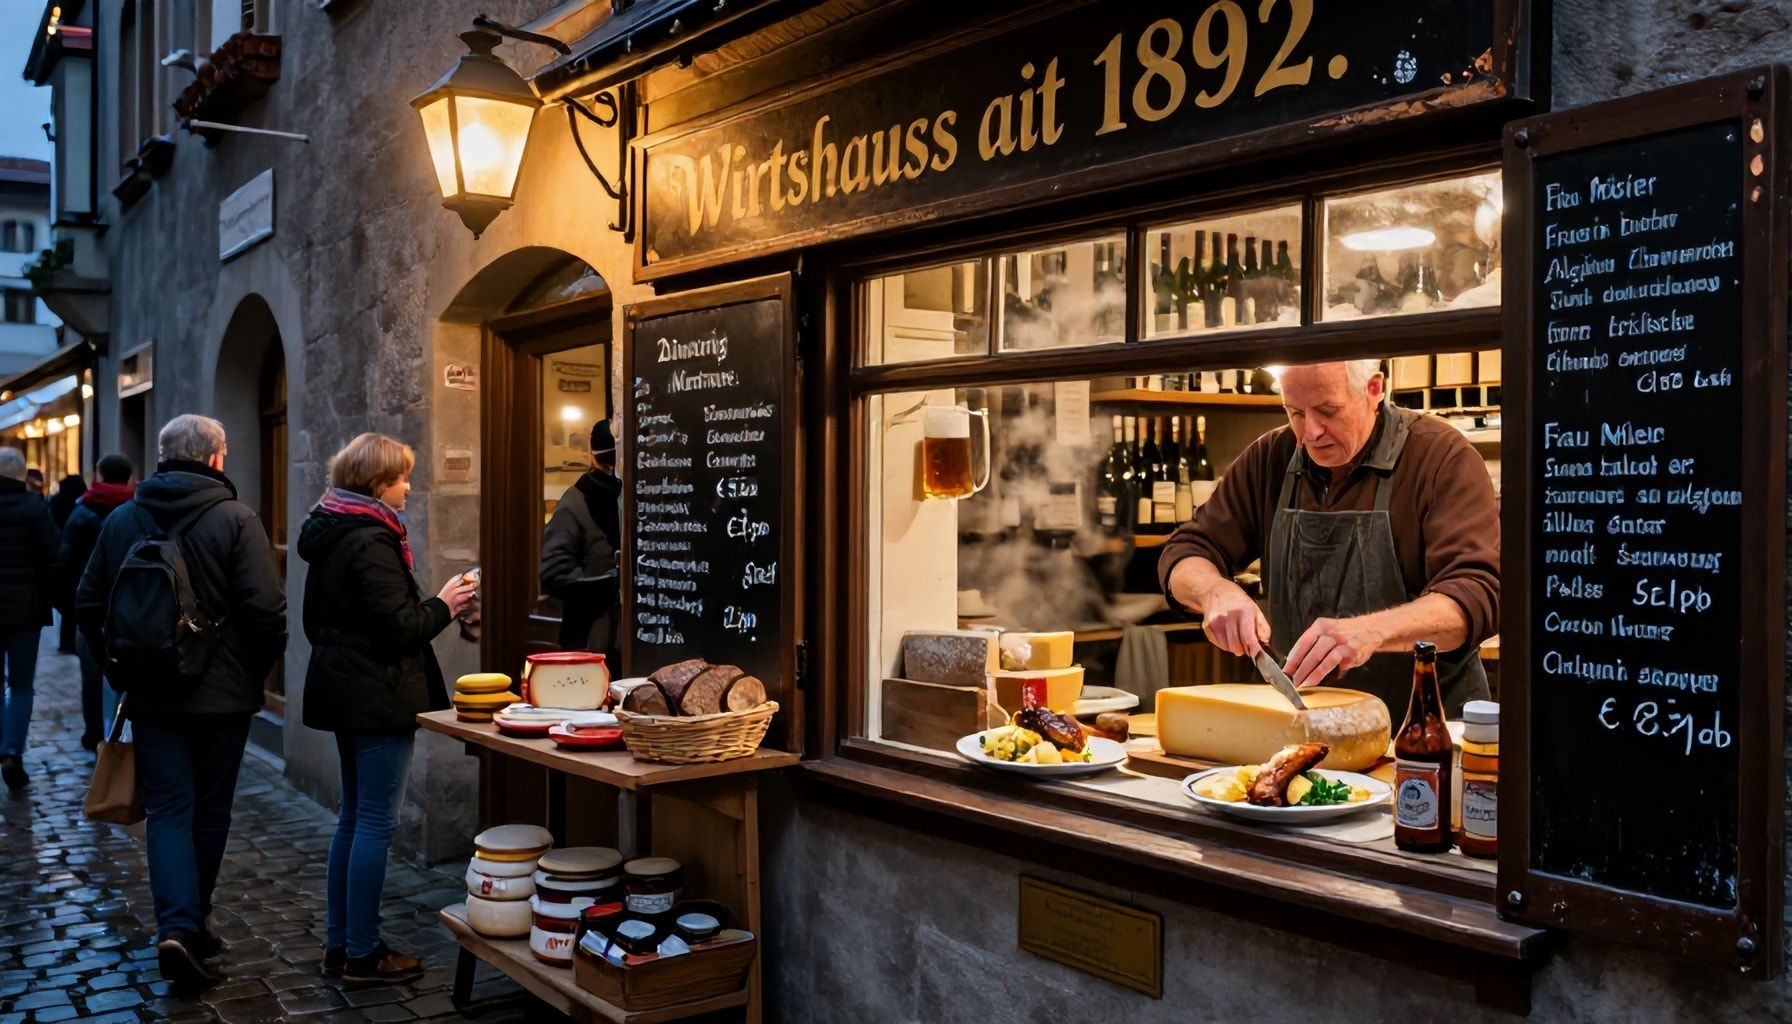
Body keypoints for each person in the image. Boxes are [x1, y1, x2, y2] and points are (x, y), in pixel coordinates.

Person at [76, 415, 286, 991]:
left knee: (169, 809)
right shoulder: (236, 519)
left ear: (165, 457)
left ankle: (178, 926)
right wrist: (253, 671)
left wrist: (120, 667)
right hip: (222, 698)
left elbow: (87, 602)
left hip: (151, 692)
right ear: (217, 458)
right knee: (211, 811)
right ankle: (191, 926)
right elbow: (265, 612)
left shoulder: (123, 518)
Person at [1159, 359, 1499, 715]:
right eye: (1295, 412)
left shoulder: (1441, 458)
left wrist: (1372, 631)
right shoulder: (1271, 457)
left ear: (1373, 388)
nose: (1310, 432)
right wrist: (1214, 591)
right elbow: (1187, 551)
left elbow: (1477, 593)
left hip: (1423, 732)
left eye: (1328, 411)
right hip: (1301, 724)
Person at [298, 433, 476, 985]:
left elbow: (323, 623)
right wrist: (446, 603)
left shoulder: (334, 531)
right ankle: (362, 952)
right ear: (377, 483)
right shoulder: (370, 539)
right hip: (375, 696)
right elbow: (400, 627)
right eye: (401, 478)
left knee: (353, 819)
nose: (408, 488)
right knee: (373, 822)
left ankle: (340, 945)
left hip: (349, 690)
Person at [59, 455, 135, 749]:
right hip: (130, 608)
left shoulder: (81, 512)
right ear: (129, 477)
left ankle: (94, 735)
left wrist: (71, 605)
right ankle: (120, 734)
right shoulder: (139, 511)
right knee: (127, 676)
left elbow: (65, 564)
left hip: (92, 606)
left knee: (92, 676)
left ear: (99, 475)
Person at [540, 419, 621, 661]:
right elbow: (555, 573)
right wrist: (615, 583)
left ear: (591, 454)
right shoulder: (580, 501)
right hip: (596, 637)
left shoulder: (575, 502)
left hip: (590, 642)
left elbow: (554, 572)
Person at [0, 447, 58, 790]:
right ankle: (12, 750)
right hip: (25, 611)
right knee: (22, 685)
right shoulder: (34, 508)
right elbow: (52, 558)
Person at [49, 475, 86, 654]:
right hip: (77, 560)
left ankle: (67, 643)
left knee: (68, 607)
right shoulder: (81, 510)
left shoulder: (55, 505)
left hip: (65, 564)